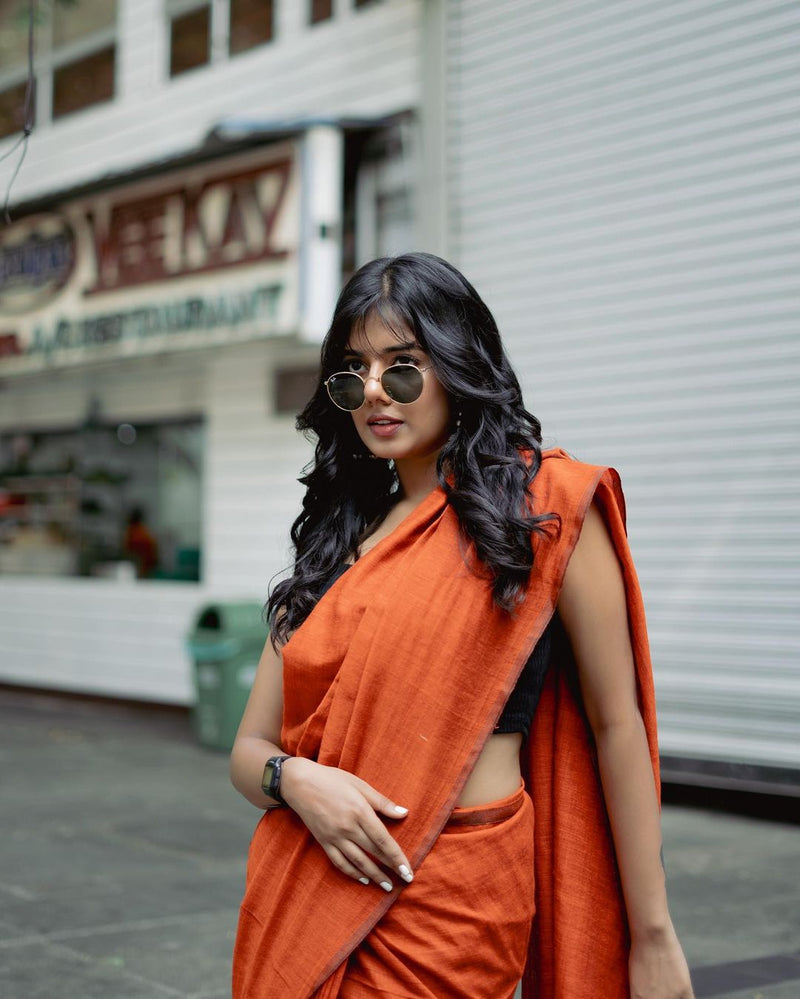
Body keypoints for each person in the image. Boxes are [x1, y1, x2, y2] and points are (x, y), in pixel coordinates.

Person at [230, 252, 694, 999]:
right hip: (308, 881)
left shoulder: (540, 508)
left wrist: (653, 935)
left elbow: (618, 724)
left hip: (453, 899)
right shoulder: (333, 546)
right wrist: (300, 780)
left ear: (459, 366)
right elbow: (249, 750)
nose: (375, 393)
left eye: (403, 368)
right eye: (353, 374)